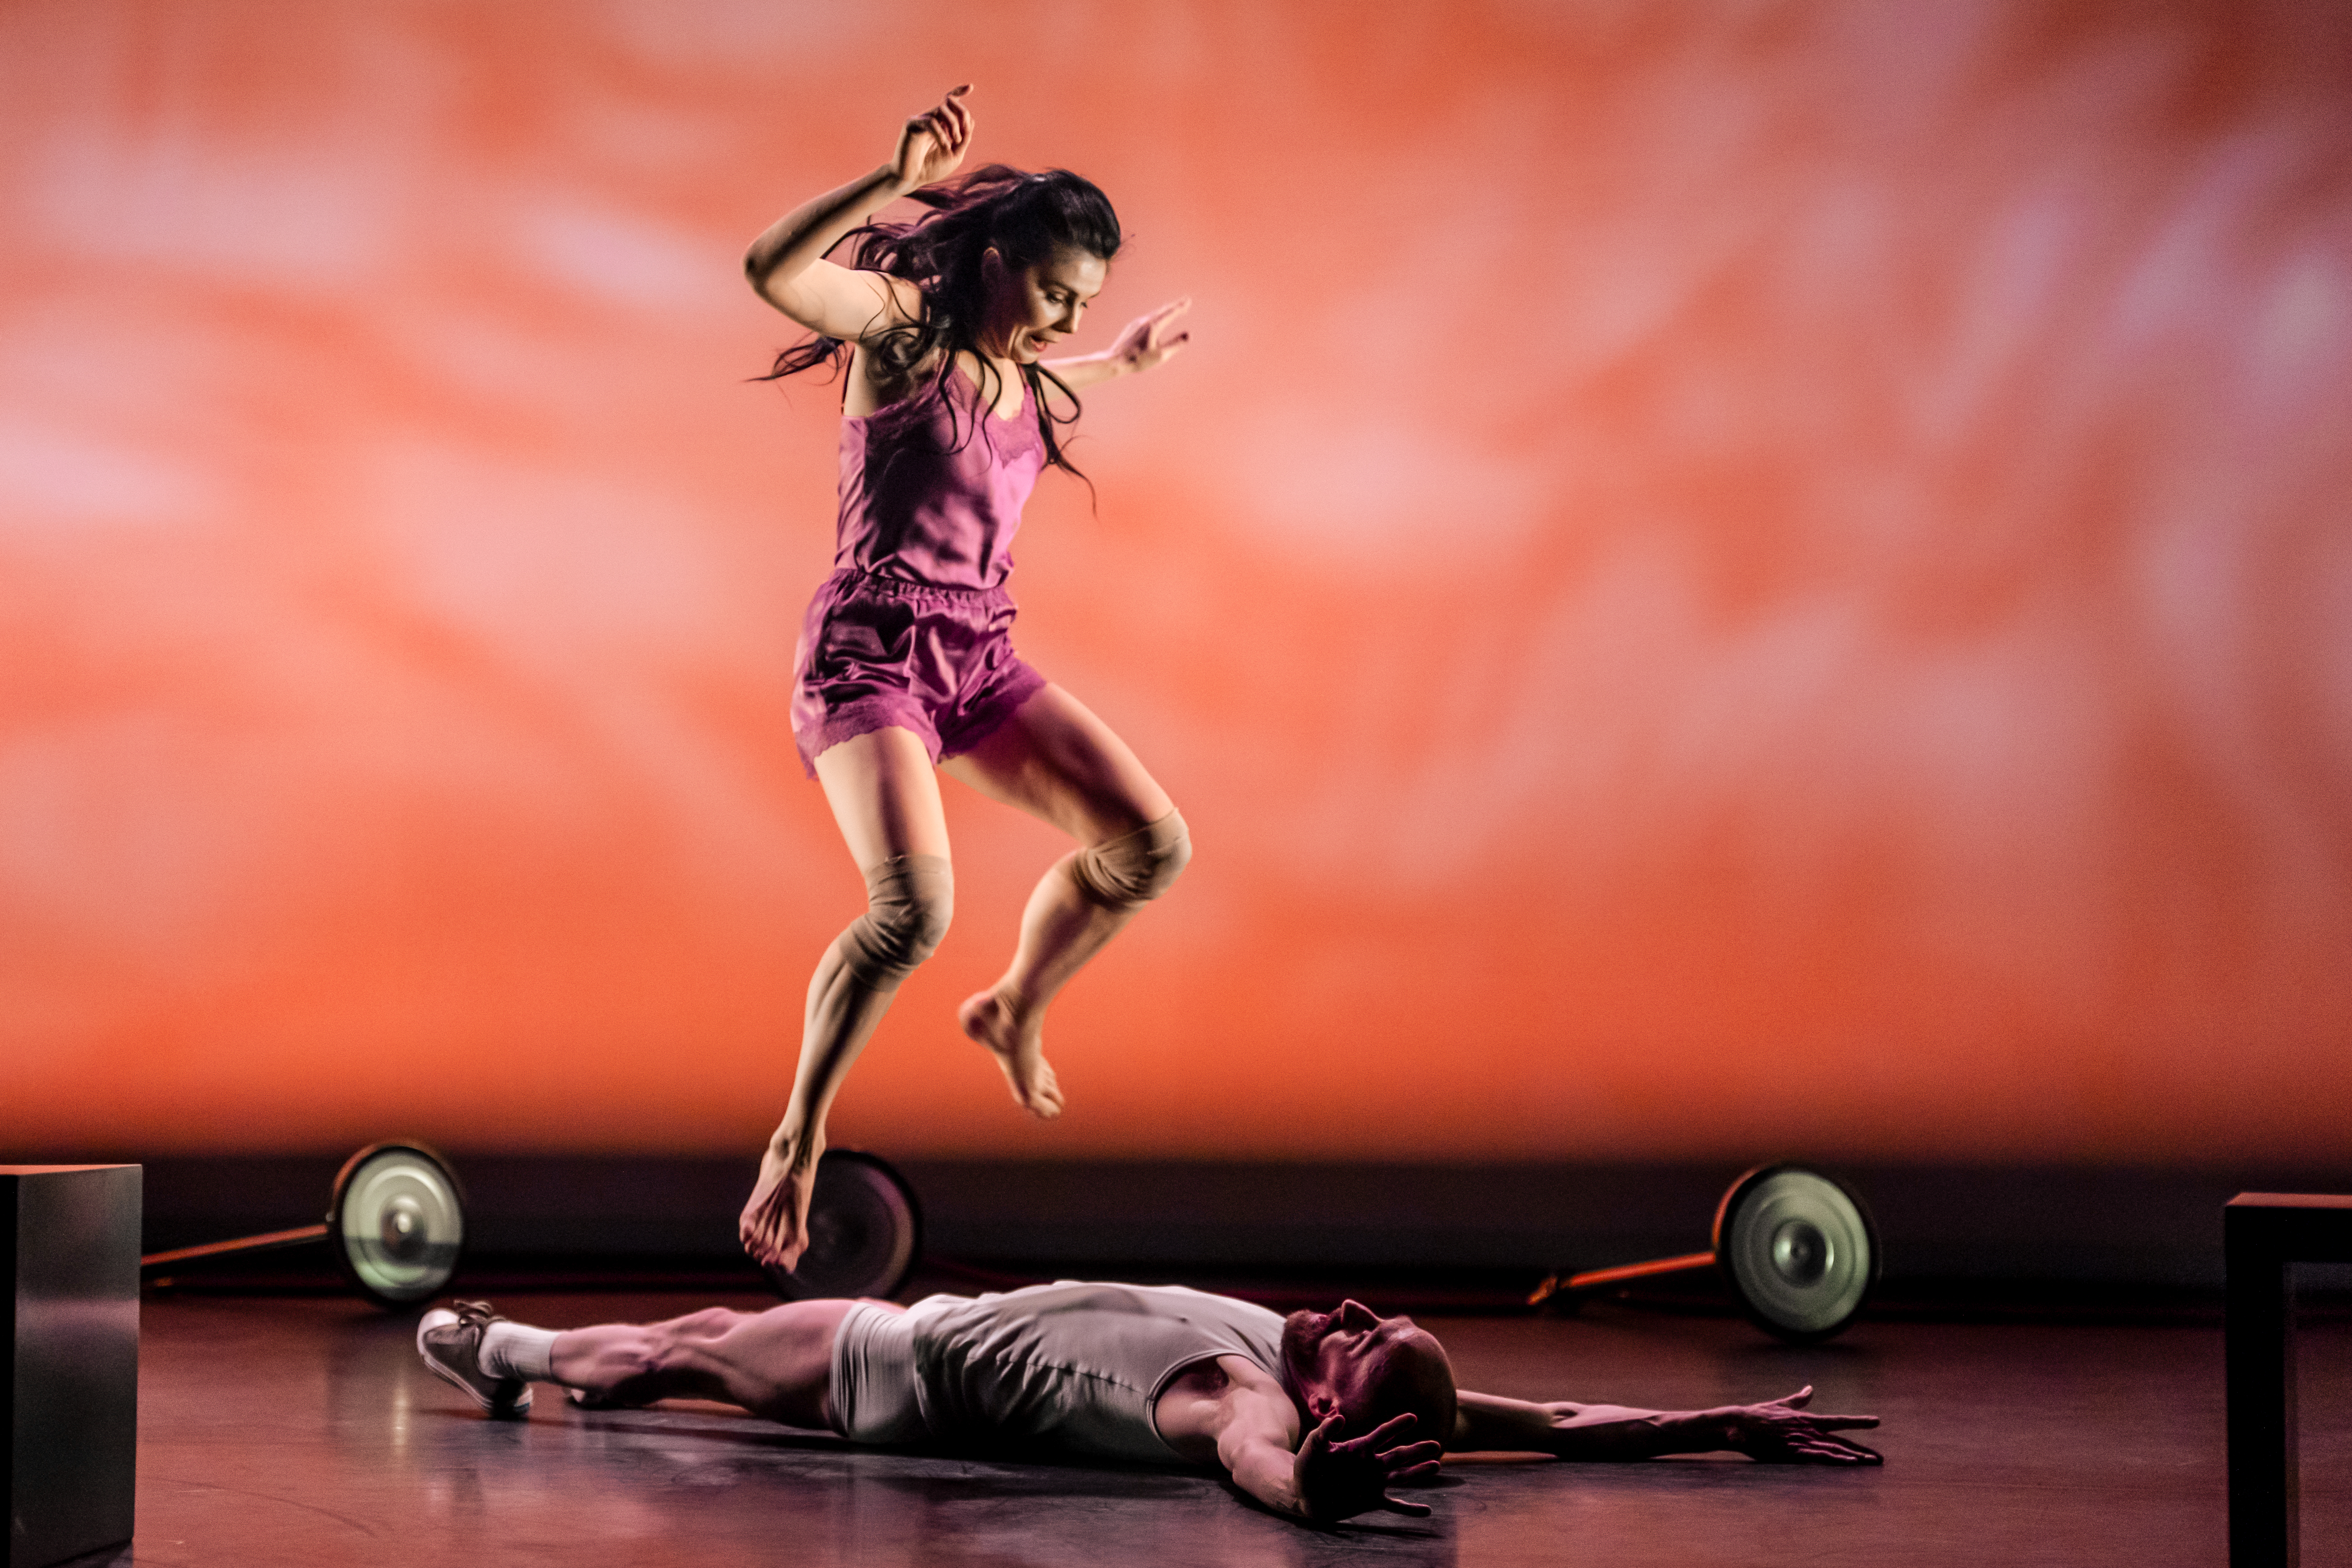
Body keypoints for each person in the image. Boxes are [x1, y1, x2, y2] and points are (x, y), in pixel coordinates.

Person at [736, 85, 1197, 1274]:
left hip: (978, 659)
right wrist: (883, 181)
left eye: (1080, 303)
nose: (1061, 319)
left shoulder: (1030, 378)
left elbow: (1048, 391)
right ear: (994, 264)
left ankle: (1014, 1008)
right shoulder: (903, 338)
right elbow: (769, 270)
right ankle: (798, 1135)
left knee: (1150, 847)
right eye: (1051, 293)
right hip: (869, 658)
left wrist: (1120, 362)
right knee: (913, 917)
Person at [416, 1284, 1883, 1525]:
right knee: (697, 1346)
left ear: (1320, 1399)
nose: (1357, 1314)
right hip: (919, 1341)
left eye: (1360, 1342)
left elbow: (1245, 1456)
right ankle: (535, 1362)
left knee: (692, 1346)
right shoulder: (1301, 1356)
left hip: (888, 1361)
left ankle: (509, 1354)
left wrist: (1311, 1494)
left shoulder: (1233, 1392)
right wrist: (1715, 1426)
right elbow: (1550, 1420)